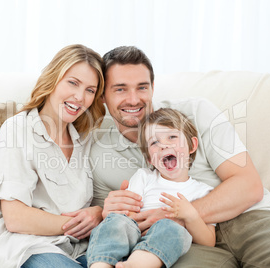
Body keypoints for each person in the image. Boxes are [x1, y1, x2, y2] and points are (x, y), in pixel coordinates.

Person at [89, 46, 270, 267]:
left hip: (249, 218)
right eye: (120, 89)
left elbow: (249, 185)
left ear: (153, 88)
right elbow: (111, 223)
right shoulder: (98, 148)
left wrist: (182, 214)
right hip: (182, 241)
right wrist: (103, 211)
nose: (133, 99)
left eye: (142, 87)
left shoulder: (196, 113)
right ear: (102, 96)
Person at [0, 44, 106, 268]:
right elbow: (16, 217)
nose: (79, 97)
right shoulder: (17, 130)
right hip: (30, 246)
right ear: (53, 80)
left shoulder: (85, 137)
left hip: (77, 247)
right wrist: (80, 224)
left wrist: (98, 213)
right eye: (73, 82)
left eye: (90, 90)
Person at [87, 108, 216, 268]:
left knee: (172, 228)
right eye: (155, 142)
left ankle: (135, 265)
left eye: (172, 137)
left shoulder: (202, 192)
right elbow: (128, 213)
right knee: (115, 221)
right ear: (149, 158)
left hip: (159, 248)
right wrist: (124, 218)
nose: (164, 145)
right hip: (133, 233)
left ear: (192, 145)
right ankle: (101, 264)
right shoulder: (144, 176)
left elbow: (209, 241)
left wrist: (191, 216)